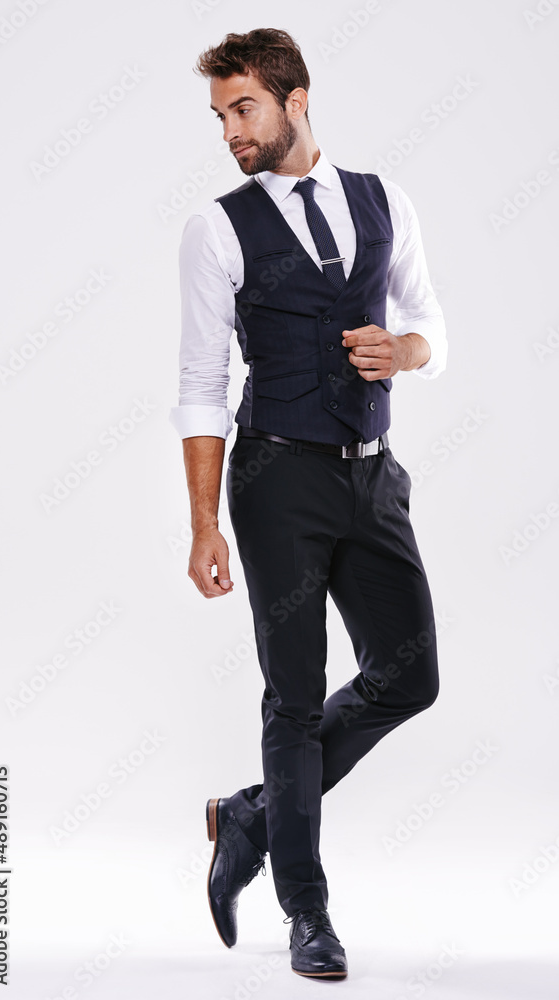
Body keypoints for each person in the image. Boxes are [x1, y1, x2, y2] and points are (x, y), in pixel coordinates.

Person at [170, 28, 448, 981]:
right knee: (291, 701)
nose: (229, 132)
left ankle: (249, 815)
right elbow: (201, 385)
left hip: (373, 474)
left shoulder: (383, 199)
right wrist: (204, 521)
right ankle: (307, 912)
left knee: (409, 678)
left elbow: (428, 321)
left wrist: (405, 353)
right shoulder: (216, 228)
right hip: (275, 478)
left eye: (242, 108)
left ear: (294, 99)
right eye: (219, 116)